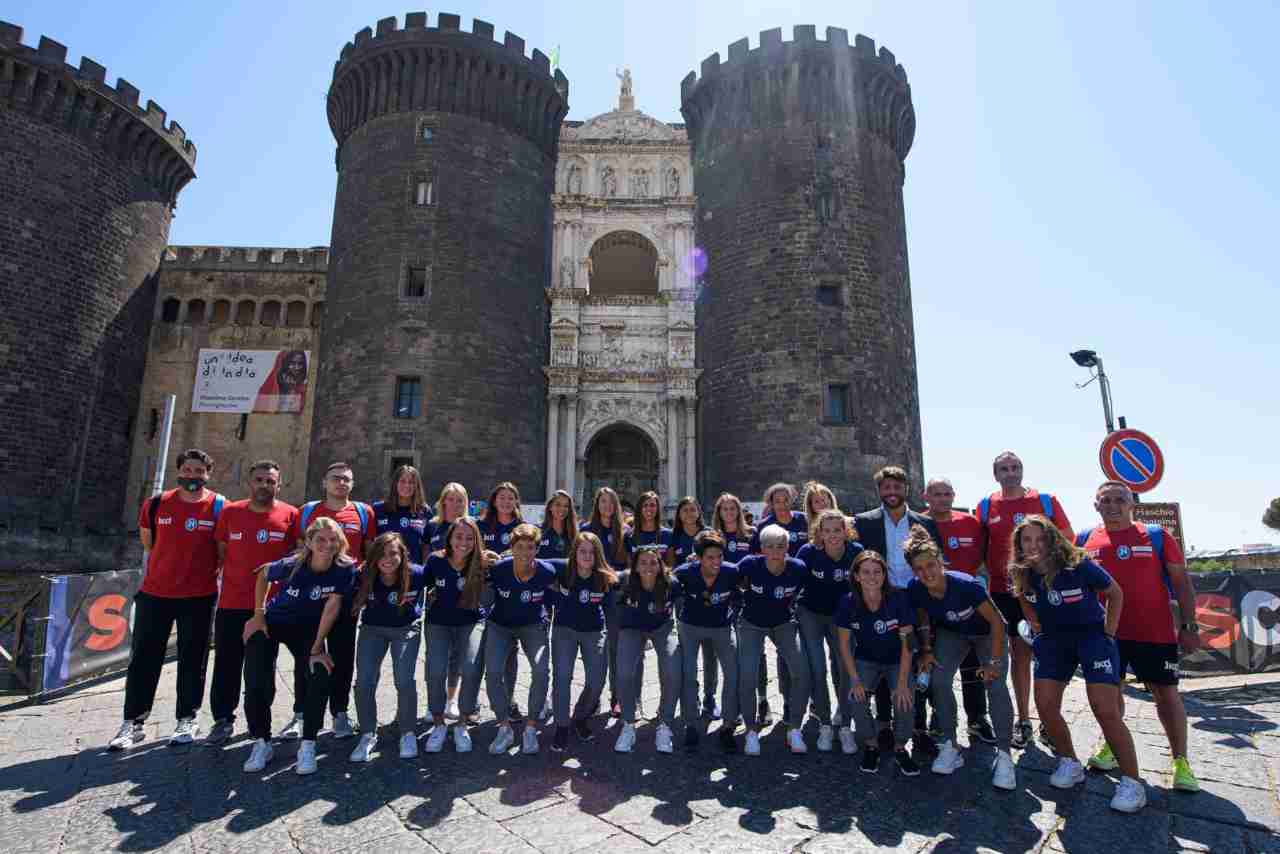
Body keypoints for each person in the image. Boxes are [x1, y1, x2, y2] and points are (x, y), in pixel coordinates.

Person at [1010, 515, 1146, 812]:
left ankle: (1133, 783)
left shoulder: (1077, 564)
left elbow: (1115, 593)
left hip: (1092, 638)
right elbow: (1022, 596)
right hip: (1054, 641)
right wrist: (1034, 622)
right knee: (1045, 705)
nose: (1034, 545)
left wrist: (1108, 633)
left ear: (1051, 539)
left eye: (1040, 538)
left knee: (1104, 709)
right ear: (1019, 545)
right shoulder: (1022, 571)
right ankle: (1070, 762)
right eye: (1027, 540)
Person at [1078, 480, 1202, 793]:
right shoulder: (1084, 539)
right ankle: (1112, 747)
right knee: (1110, 692)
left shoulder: (1158, 536)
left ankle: (1181, 762)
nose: (1112, 506)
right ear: (1096, 506)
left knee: (1166, 694)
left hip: (1154, 632)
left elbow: (1182, 582)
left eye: (1119, 499)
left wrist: (1189, 626)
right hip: (1106, 635)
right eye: (1105, 501)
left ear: (1132, 503)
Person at [109, 449, 226, 751]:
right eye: (187, 469)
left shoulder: (218, 506)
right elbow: (149, 543)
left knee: (193, 659)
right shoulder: (157, 503)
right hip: (155, 594)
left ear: (207, 474)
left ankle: (186, 717)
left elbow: (222, 552)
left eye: (199, 471)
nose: (192, 475)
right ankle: (133, 722)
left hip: (199, 596)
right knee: (143, 660)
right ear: (179, 471)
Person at [241, 517, 357, 775]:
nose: (327, 545)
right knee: (256, 677)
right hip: (275, 622)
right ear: (309, 542)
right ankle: (262, 741)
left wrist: (317, 648)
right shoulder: (293, 564)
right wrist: (258, 615)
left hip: (307, 629)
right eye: (320, 539)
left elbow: (331, 608)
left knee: (319, 672)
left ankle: (308, 744)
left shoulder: (344, 568)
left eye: (332, 539)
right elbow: (262, 574)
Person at [973, 451, 1072, 749]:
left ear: (1022, 470)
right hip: (1005, 593)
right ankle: (1024, 719)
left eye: (1015, 467)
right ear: (996, 474)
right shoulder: (986, 506)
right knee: (1019, 655)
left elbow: (1067, 540)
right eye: (1004, 468)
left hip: (1043, 590)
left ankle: (1049, 720)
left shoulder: (1045, 501)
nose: (1010, 472)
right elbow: (979, 549)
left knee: (1049, 654)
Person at [905, 526, 1017, 790]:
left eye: (931, 565)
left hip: (986, 633)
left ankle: (1004, 755)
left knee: (995, 685)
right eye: (919, 569)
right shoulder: (916, 588)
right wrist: (926, 649)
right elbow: (921, 615)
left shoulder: (966, 586)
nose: (926, 573)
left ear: (941, 562)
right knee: (939, 681)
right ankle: (950, 745)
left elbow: (999, 623)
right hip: (953, 633)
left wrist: (995, 663)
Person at [206, 460, 298, 746]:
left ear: (279, 485)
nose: (264, 485)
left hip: (268, 607)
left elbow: (296, 554)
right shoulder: (231, 512)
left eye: (270, 481)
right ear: (250, 482)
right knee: (226, 664)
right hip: (232, 603)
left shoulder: (290, 515)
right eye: (259, 480)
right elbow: (222, 550)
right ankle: (223, 719)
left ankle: (259, 718)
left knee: (261, 667)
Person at [854, 466, 941, 755]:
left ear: (906, 489)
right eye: (886, 488)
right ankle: (884, 725)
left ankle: (919, 726)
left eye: (897, 487)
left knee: (920, 660)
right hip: (883, 598)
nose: (892, 492)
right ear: (879, 491)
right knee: (884, 659)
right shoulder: (864, 522)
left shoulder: (924, 523)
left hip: (917, 598)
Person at [291, 462, 375, 741]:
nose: (341, 483)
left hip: (346, 597)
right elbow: (298, 551)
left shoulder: (363, 513)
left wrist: (361, 591)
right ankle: (301, 713)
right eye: (336, 478)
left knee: (342, 655)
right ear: (325, 483)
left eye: (347, 480)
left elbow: (368, 553)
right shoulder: (307, 512)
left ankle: (340, 711)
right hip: (310, 597)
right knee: (306, 654)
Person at [924, 477, 995, 746]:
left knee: (973, 667)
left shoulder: (972, 523)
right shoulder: (918, 523)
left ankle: (977, 719)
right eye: (936, 494)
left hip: (970, 607)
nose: (942, 499)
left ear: (954, 495)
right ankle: (939, 717)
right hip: (933, 608)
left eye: (947, 494)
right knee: (936, 667)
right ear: (926, 496)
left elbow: (984, 560)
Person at [835, 550, 919, 776]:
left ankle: (901, 746)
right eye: (866, 572)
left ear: (884, 575)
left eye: (877, 571)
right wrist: (854, 680)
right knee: (856, 696)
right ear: (857, 576)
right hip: (866, 658)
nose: (872, 577)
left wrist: (901, 683)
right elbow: (844, 645)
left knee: (905, 697)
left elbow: (908, 643)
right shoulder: (848, 602)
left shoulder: (898, 598)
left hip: (896, 660)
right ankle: (871, 744)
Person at [349, 533, 428, 762]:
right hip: (373, 629)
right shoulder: (364, 574)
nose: (388, 559)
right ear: (373, 557)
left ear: (402, 554)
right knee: (364, 681)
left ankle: (407, 732)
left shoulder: (417, 574)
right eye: (382, 554)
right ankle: (367, 733)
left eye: (393, 553)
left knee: (404, 679)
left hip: (405, 628)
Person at [735, 524, 812, 755]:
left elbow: (807, 589)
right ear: (762, 548)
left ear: (788, 547)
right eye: (770, 546)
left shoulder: (798, 568)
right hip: (751, 623)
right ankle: (750, 729)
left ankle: (794, 728)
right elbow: (727, 575)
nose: (776, 550)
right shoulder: (750, 564)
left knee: (802, 672)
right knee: (747, 675)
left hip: (783, 623)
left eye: (781, 546)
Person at [484, 523, 556, 755]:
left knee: (541, 669)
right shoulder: (499, 569)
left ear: (537, 549)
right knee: (493, 671)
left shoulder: (546, 570)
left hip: (533, 624)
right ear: (512, 548)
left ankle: (531, 727)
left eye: (531, 548)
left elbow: (575, 563)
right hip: (500, 625)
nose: (526, 553)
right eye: (520, 547)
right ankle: (504, 726)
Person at [796, 509, 864, 753]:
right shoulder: (808, 552)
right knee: (817, 666)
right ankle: (824, 723)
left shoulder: (856, 552)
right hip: (811, 613)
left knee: (845, 667)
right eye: (827, 531)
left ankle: (845, 724)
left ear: (846, 531)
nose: (833, 535)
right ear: (819, 533)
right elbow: (794, 579)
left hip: (842, 617)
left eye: (838, 530)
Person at [421, 516, 488, 753]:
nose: (464, 542)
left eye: (470, 538)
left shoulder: (483, 562)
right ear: (449, 538)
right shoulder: (435, 561)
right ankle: (438, 722)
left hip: (471, 621)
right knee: (436, 670)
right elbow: (416, 582)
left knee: (470, 667)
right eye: (459, 536)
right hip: (439, 622)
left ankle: (462, 723)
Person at [547, 532, 617, 752]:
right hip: (564, 629)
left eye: (592, 552)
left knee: (597, 680)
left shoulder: (606, 577)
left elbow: (619, 598)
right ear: (574, 552)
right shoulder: (561, 568)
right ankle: (561, 725)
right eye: (582, 551)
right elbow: (533, 564)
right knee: (562, 676)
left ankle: (580, 717)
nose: (587, 556)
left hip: (594, 631)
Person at [673, 530, 740, 753]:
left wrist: (736, 616)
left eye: (719, 556)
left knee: (733, 672)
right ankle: (691, 723)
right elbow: (667, 587)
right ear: (699, 557)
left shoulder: (731, 572)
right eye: (710, 557)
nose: (716, 562)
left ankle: (728, 725)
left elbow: (742, 593)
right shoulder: (685, 572)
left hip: (721, 626)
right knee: (688, 672)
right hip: (691, 626)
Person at [614, 546, 682, 754]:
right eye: (643, 562)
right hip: (632, 628)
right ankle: (627, 723)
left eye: (653, 562)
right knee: (624, 673)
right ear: (634, 566)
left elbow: (682, 607)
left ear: (661, 565)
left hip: (662, 627)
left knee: (672, 669)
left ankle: (665, 723)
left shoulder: (671, 583)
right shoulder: (624, 581)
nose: (648, 567)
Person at [583, 486, 634, 718]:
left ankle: (617, 697)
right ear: (597, 505)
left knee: (615, 648)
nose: (607, 506)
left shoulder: (625, 532)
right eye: (603, 502)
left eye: (611, 502)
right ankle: (592, 697)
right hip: (591, 595)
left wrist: (619, 576)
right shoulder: (586, 530)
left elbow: (632, 563)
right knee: (593, 649)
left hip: (615, 596)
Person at [478, 482, 527, 721]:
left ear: (516, 502)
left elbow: (531, 555)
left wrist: (511, 557)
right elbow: (465, 552)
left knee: (510, 648)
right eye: (502, 498)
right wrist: (481, 557)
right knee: (479, 645)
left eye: (511, 498)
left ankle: (508, 699)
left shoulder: (522, 528)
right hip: (485, 590)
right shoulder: (481, 525)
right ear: (494, 501)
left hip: (513, 593)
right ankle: (472, 700)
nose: (506, 502)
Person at [670, 496, 719, 719]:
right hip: (684, 599)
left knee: (711, 653)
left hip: (709, 597)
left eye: (693, 510)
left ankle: (710, 698)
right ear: (679, 515)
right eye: (685, 510)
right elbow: (669, 569)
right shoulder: (674, 537)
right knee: (688, 653)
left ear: (699, 512)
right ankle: (692, 696)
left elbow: (718, 559)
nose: (689, 514)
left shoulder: (709, 534)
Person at [426, 481, 471, 722]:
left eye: (460, 500)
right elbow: (426, 561)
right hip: (438, 600)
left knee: (457, 656)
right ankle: (433, 701)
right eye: (450, 499)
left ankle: (451, 700)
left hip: (464, 600)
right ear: (443, 501)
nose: (455, 504)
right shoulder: (431, 527)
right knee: (436, 657)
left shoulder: (471, 527)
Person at [372, 464, 430, 563]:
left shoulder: (424, 511)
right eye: (402, 481)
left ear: (417, 486)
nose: (407, 485)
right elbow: (370, 542)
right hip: (385, 571)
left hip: (413, 572)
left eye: (411, 482)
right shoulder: (378, 509)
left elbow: (426, 545)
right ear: (395, 483)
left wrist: (425, 570)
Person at [539, 489, 580, 559]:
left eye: (566, 506)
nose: (562, 509)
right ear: (550, 507)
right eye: (558, 505)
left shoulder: (574, 533)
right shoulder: (538, 531)